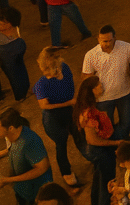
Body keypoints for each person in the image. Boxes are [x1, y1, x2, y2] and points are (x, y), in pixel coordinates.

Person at [33, 47, 82, 190]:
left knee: (79, 133)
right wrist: (69, 103)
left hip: (68, 111)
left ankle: (90, 154)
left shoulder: (65, 68)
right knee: (61, 145)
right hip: (53, 118)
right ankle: (66, 173)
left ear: (57, 65)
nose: (45, 74)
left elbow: (70, 86)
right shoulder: (41, 84)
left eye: (48, 70)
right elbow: (45, 106)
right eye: (43, 70)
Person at [0, 108, 53, 204]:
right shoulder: (10, 136)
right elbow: (13, 150)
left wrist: (7, 180)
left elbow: (42, 168)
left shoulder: (30, 142)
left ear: (11, 128)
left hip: (35, 192)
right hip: (22, 189)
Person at [82, 25, 130, 141]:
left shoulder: (126, 47)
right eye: (103, 41)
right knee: (106, 126)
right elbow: (87, 79)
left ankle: (119, 141)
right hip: (103, 99)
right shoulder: (90, 55)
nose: (106, 44)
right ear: (98, 39)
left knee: (126, 122)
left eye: (109, 40)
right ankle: (117, 142)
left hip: (124, 94)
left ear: (115, 38)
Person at [75, 76, 120, 205]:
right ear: (93, 90)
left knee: (99, 180)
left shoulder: (90, 107)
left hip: (101, 151)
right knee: (107, 184)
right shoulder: (89, 113)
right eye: (99, 85)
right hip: (101, 151)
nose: (102, 86)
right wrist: (116, 143)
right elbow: (92, 140)